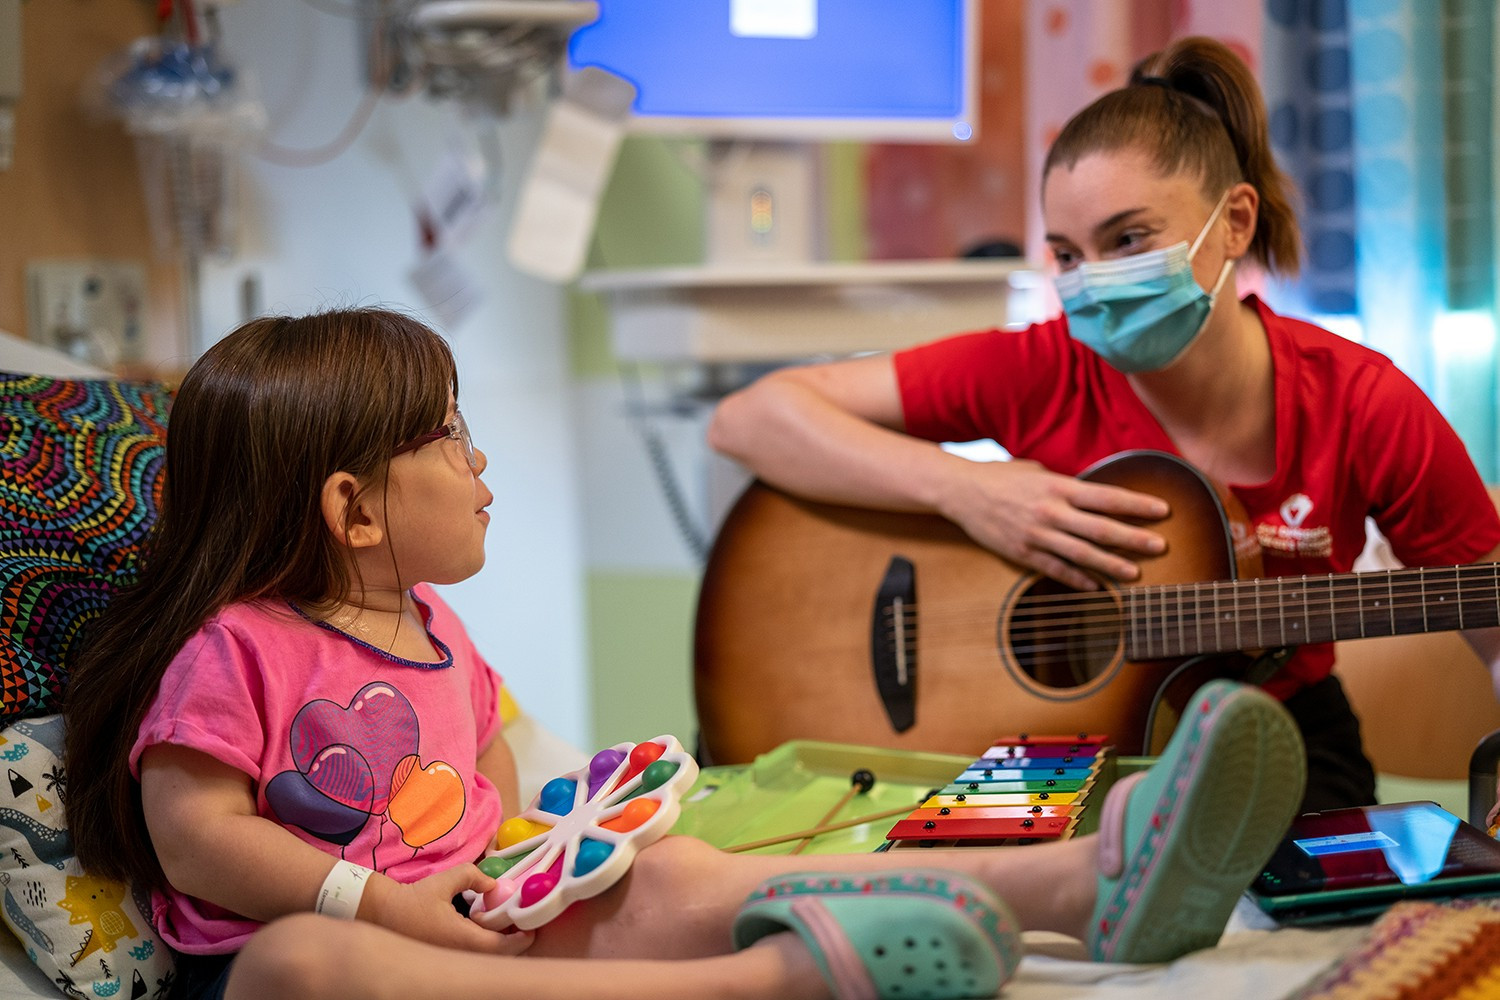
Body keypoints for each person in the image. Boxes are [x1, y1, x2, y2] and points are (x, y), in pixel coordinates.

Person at [59, 307, 1305, 1000]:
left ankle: (1086, 883)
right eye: (448, 436)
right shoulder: (239, 647)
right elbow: (194, 834)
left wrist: (567, 847)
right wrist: (381, 904)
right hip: (305, 962)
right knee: (305, 968)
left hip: (482, 923)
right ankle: (767, 989)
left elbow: (495, 782)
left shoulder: (437, 631)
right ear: (354, 510)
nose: (479, 461)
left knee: (681, 873)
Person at [708, 35, 1500, 816]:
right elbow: (751, 419)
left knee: (1306, 904)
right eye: (1065, 254)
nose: (1091, 281)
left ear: (1234, 221)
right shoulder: (1041, 367)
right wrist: (969, 490)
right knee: (947, 878)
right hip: (1048, 744)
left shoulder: (1363, 403)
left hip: (1278, 731)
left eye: (1128, 240)